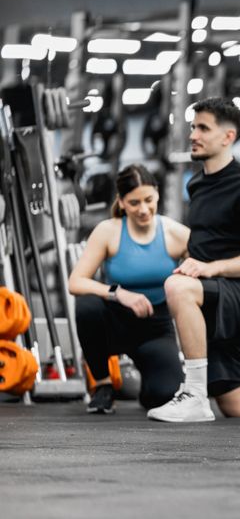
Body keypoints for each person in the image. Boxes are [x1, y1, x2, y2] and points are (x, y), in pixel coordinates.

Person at [147, 97, 240, 423]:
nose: (193, 135)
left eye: (203, 128)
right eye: (193, 127)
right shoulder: (198, 184)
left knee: (177, 287)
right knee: (237, 408)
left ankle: (194, 395)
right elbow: (209, 243)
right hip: (213, 292)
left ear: (227, 137)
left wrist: (209, 269)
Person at [68, 164, 188, 414]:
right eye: (134, 203)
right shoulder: (108, 231)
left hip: (155, 327)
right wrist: (119, 293)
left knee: (164, 396)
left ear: (157, 194)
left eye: (148, 200)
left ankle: (149, 382)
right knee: (87, 304)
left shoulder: (175, 233)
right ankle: (103, 385)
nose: (143, 209)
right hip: (115, 322)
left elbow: (213, 261)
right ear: (121, 202)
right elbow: (76, 282)